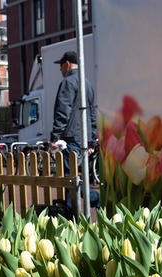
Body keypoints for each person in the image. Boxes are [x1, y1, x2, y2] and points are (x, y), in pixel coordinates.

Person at [50, 50, 100, 209]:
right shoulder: (88, 84)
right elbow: (92, 115)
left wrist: (54, 137)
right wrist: (92, 141)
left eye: (61, 65)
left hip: (71, 139)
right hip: (83, 139)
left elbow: (63, 111)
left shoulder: (68, 82)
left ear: (67, 64)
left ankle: (95, 200)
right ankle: (73, 214)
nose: (60, 69)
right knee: (75, 178)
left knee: (69, 179)